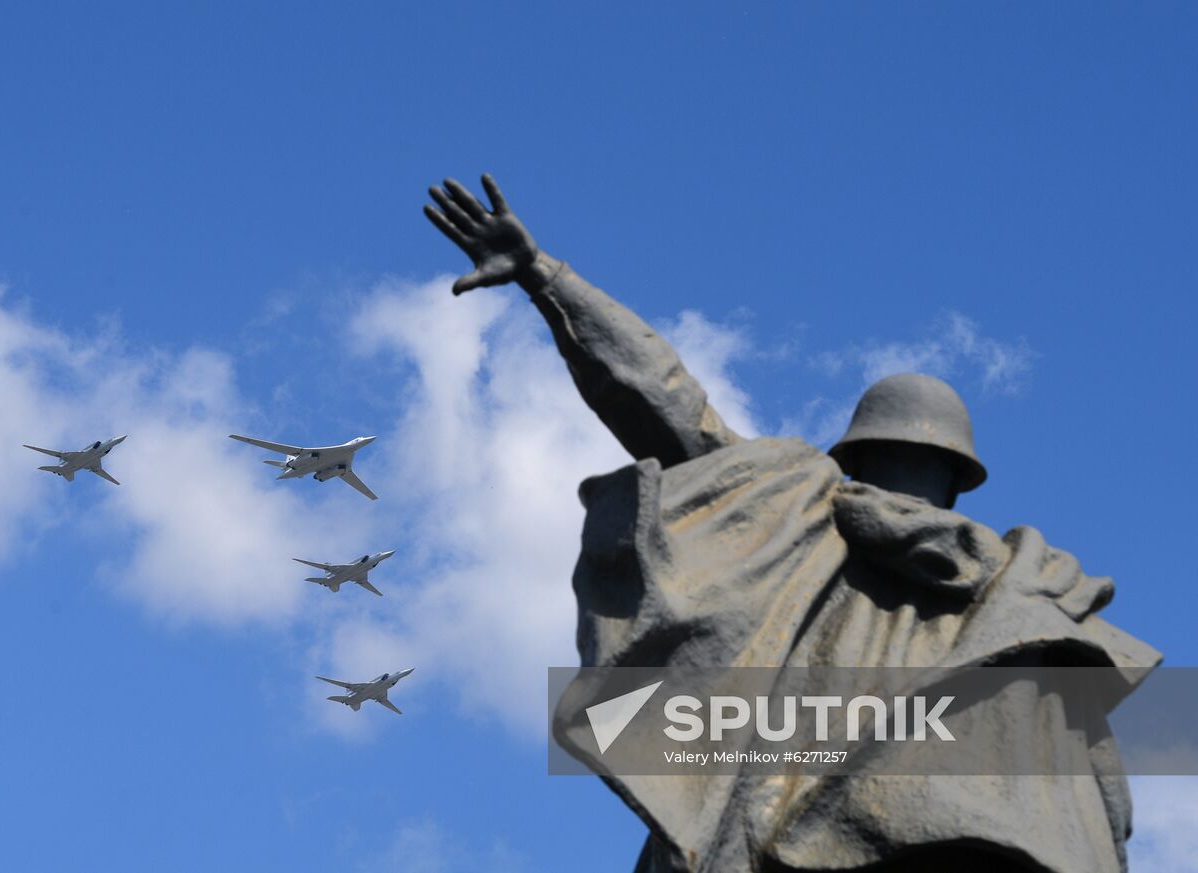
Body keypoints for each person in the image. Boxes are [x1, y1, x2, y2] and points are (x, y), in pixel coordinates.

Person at [426, 176, 1161, 873]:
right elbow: (1099, 813)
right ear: (958, 476)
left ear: (859, 450)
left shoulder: (799, 511)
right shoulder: (1032, 601)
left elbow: (665, 399)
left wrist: (546, 277)